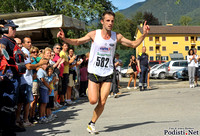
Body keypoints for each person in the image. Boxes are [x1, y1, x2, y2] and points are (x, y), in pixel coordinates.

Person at [57, 10, 150, 134]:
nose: (110, 23)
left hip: (107, 73)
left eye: (112, 21)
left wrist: (144, 35)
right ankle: (90, 90)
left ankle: (92, 123)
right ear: (102, 22)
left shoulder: (116, 36)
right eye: (107, 20)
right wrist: (65, 39)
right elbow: (78, 41)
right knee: (93, 101)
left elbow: (133, 44)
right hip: (94, 72)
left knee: (103, 101)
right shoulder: (94, 34)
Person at [0, 20, 24, 136]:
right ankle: (6, 129)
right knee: (8, 100)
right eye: (12, 28)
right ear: (5, 29)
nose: (15, 30)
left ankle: (12, 125)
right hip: (9, 75)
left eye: (15, 28)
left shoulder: (12, 40)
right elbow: (1, 47)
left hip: (16, 74)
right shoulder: (4, 39)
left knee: (14, 101)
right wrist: (1, 50)